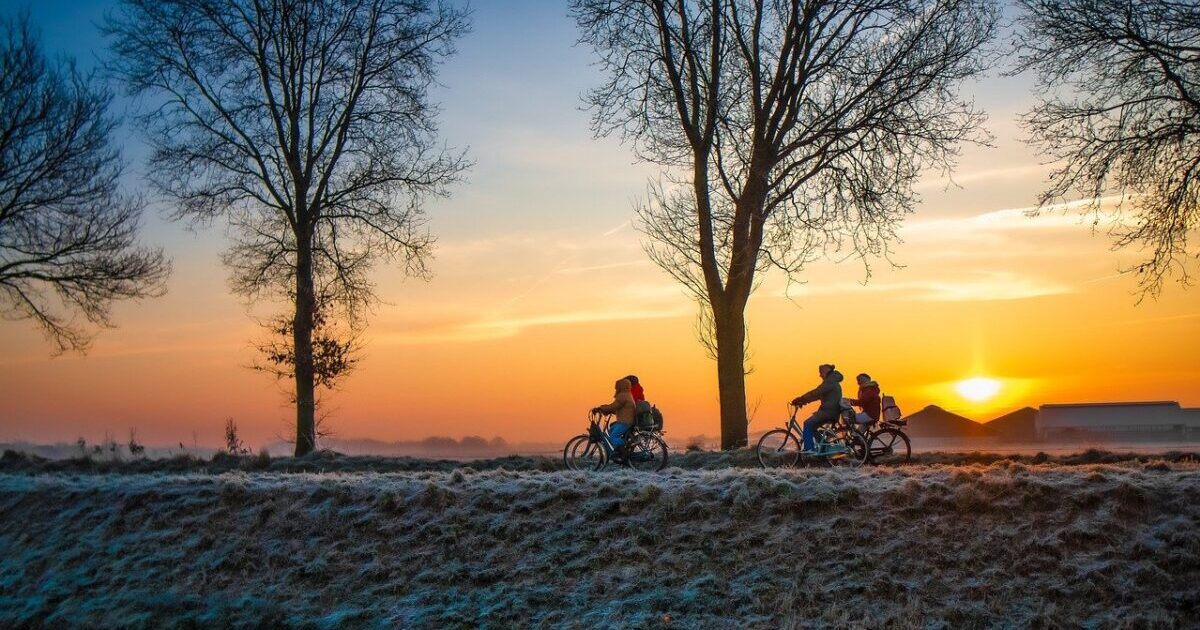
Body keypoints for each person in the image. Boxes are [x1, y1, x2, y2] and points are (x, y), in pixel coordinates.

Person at [790, 363, 844, 454]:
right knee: (813, 427)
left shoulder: (830, 382)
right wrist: (804, 401)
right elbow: (817, 395)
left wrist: (801, 399)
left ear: (826, 371)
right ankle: (823, 448)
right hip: (830, 411)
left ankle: (809, 448)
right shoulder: (831, 381)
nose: (819, 375)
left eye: (820, 372)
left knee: (807, 424)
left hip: (828, 411)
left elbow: (817, 392)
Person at [592, 378, 637, 454]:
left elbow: (614, 406)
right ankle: (619, 449)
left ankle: (627, 446)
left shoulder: (623, 395)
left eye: (617, 386)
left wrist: (601, 408)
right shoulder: (628, 394)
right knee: (611, 430)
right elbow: (619, 407)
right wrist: (608, 411)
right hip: (626, 420)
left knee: (613, 437)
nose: (616, 388)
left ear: (621, 386)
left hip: (625, 422)